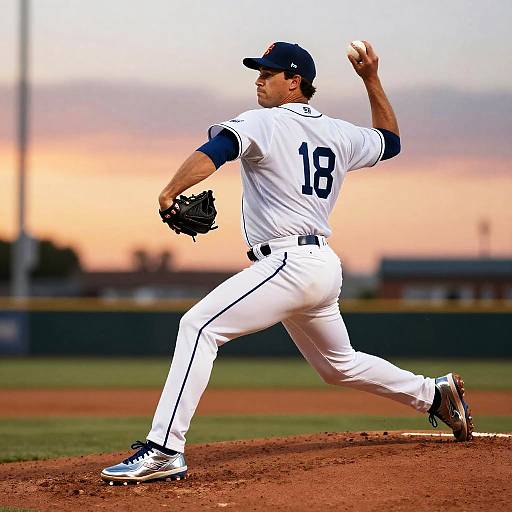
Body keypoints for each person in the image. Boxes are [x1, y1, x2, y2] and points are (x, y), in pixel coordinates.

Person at [101, 41, 473, 484]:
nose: (259, 79)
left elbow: (215, 151)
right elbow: (390, 142)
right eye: (259, 72)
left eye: (269, 73)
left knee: (199, 327)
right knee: (339, 365)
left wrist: (168, 193)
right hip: (320, 266)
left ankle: (164, 450)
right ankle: (434, 394)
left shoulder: (264, 121)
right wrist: (371, 80)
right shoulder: (338, 132)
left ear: (294, 81)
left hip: (288, 262)